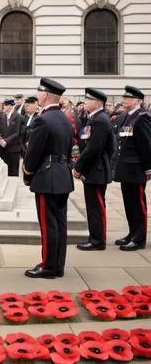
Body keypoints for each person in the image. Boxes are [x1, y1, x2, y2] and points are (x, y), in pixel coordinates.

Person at [22, 78, 74, 279]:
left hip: (47, 176)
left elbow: (33, 154)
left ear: (45, 95)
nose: (37, 96)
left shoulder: (43, 119)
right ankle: (57, 265)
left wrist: (27, 173)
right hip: (62, 175)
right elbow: (69, 151)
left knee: (48, 224)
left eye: (39, 93)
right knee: (60, 224)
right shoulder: (64, 118)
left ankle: (48, 267)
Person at [73, 88, 115, 251]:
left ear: (97, 103)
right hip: (92, 169)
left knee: (96, 207)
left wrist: (78, 167)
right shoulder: (94, 118)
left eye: (88, 100)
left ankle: (98, 241)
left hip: (95, 169)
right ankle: (95, 236)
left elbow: (94, 149)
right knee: (92, 206)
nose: (85, 103)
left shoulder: (100, 120)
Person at [113, 85, 151, 251]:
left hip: (137, 167)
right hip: (125, 167)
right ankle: (131, 233)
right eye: (124, 97)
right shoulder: (124, 117)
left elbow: (146, 144)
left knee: (138, 203)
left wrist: (148, 167)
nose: (124, 100)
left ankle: (139, 238)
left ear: (138, 101)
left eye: (128, 98)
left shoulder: (142, 117)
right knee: (128, 203)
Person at [0, 99, 24, 177]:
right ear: (3, 106)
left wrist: (6, 140)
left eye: (10, 105)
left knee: (13, 170)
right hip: (2, 147)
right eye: (6, 105)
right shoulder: (0, 115)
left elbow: (17, 133)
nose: (8, 107)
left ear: (13, 106)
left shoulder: (19, 117)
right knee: (3, 169)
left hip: (14, 148)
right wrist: (0, 139)